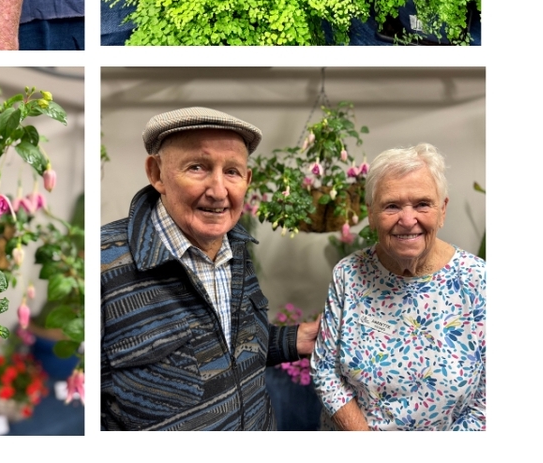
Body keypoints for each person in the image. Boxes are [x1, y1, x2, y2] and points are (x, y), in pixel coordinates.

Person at [100, 107, 318, 430]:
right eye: (198, 167)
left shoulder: (237, 246)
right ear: (157, 173)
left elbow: (229, 347)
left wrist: (296, 339)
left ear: (247, 180)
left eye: (231, 172)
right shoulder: (103, 264)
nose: (218, 191)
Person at [311, 143, 486, 430]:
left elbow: (487, 403)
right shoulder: (349, 274)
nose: (407, 220)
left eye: (422, 204)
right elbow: (325, 372)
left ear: (442, 210)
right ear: (371, 214)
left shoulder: (480, 282)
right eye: (392, 205)